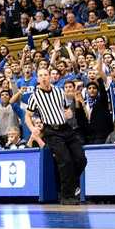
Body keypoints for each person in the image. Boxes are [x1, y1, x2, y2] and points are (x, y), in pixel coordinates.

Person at [25, 68, 86, 205]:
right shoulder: (35, 96)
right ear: (38, 79)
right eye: (41, 76)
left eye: (46, 75)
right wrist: (32, 128)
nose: (44, 78)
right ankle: (66, 196)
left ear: (50, 77)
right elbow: (27, 116)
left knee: (81, 158)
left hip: (66, 128)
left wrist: (69, 113)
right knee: (65, 161)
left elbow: (66, 110)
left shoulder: (59, 91)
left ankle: (73, 184)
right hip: (51, 131)